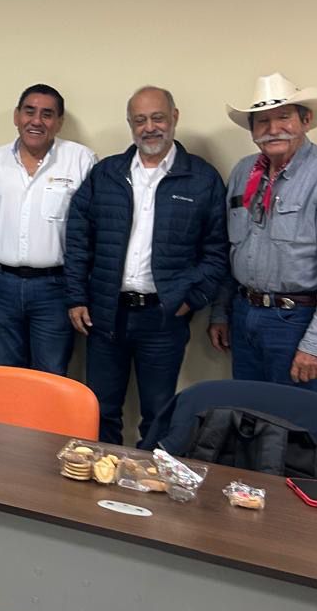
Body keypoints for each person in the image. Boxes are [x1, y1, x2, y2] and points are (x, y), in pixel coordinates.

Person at [64, 86, 227, 446]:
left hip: (163, 318)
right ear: (130, 124)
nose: (149, 127)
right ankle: (100, 476)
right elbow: (77, 238)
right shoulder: (106, 174)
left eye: (157, 118)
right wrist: (76, 296)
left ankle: (147, 478)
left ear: (174, 117)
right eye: (140, 120)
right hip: (106, 315)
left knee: (158, 415)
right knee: (101, 410)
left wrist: (191, 299)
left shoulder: (202, 179)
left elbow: (217, 252)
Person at [207, 73, 317, 393]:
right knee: (246, 411)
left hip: (296, 322)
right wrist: (221, 312)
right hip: (243, 314)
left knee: (293, 418)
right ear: (252, 130)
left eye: (283, 117)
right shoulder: (242, 172)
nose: (273, 128)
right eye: (262, 121)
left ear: (306, 120)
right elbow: (230, 249)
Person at [0, 84, 95, 375]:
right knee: (6, 374)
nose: (36, 121)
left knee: (50, 376)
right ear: (16, 116)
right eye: (29, 112)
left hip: (55, 288)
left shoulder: (81, 160)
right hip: (1, 285)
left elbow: (92, 228)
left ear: (59, 122)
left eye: (47, 114)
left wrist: (80, 291)